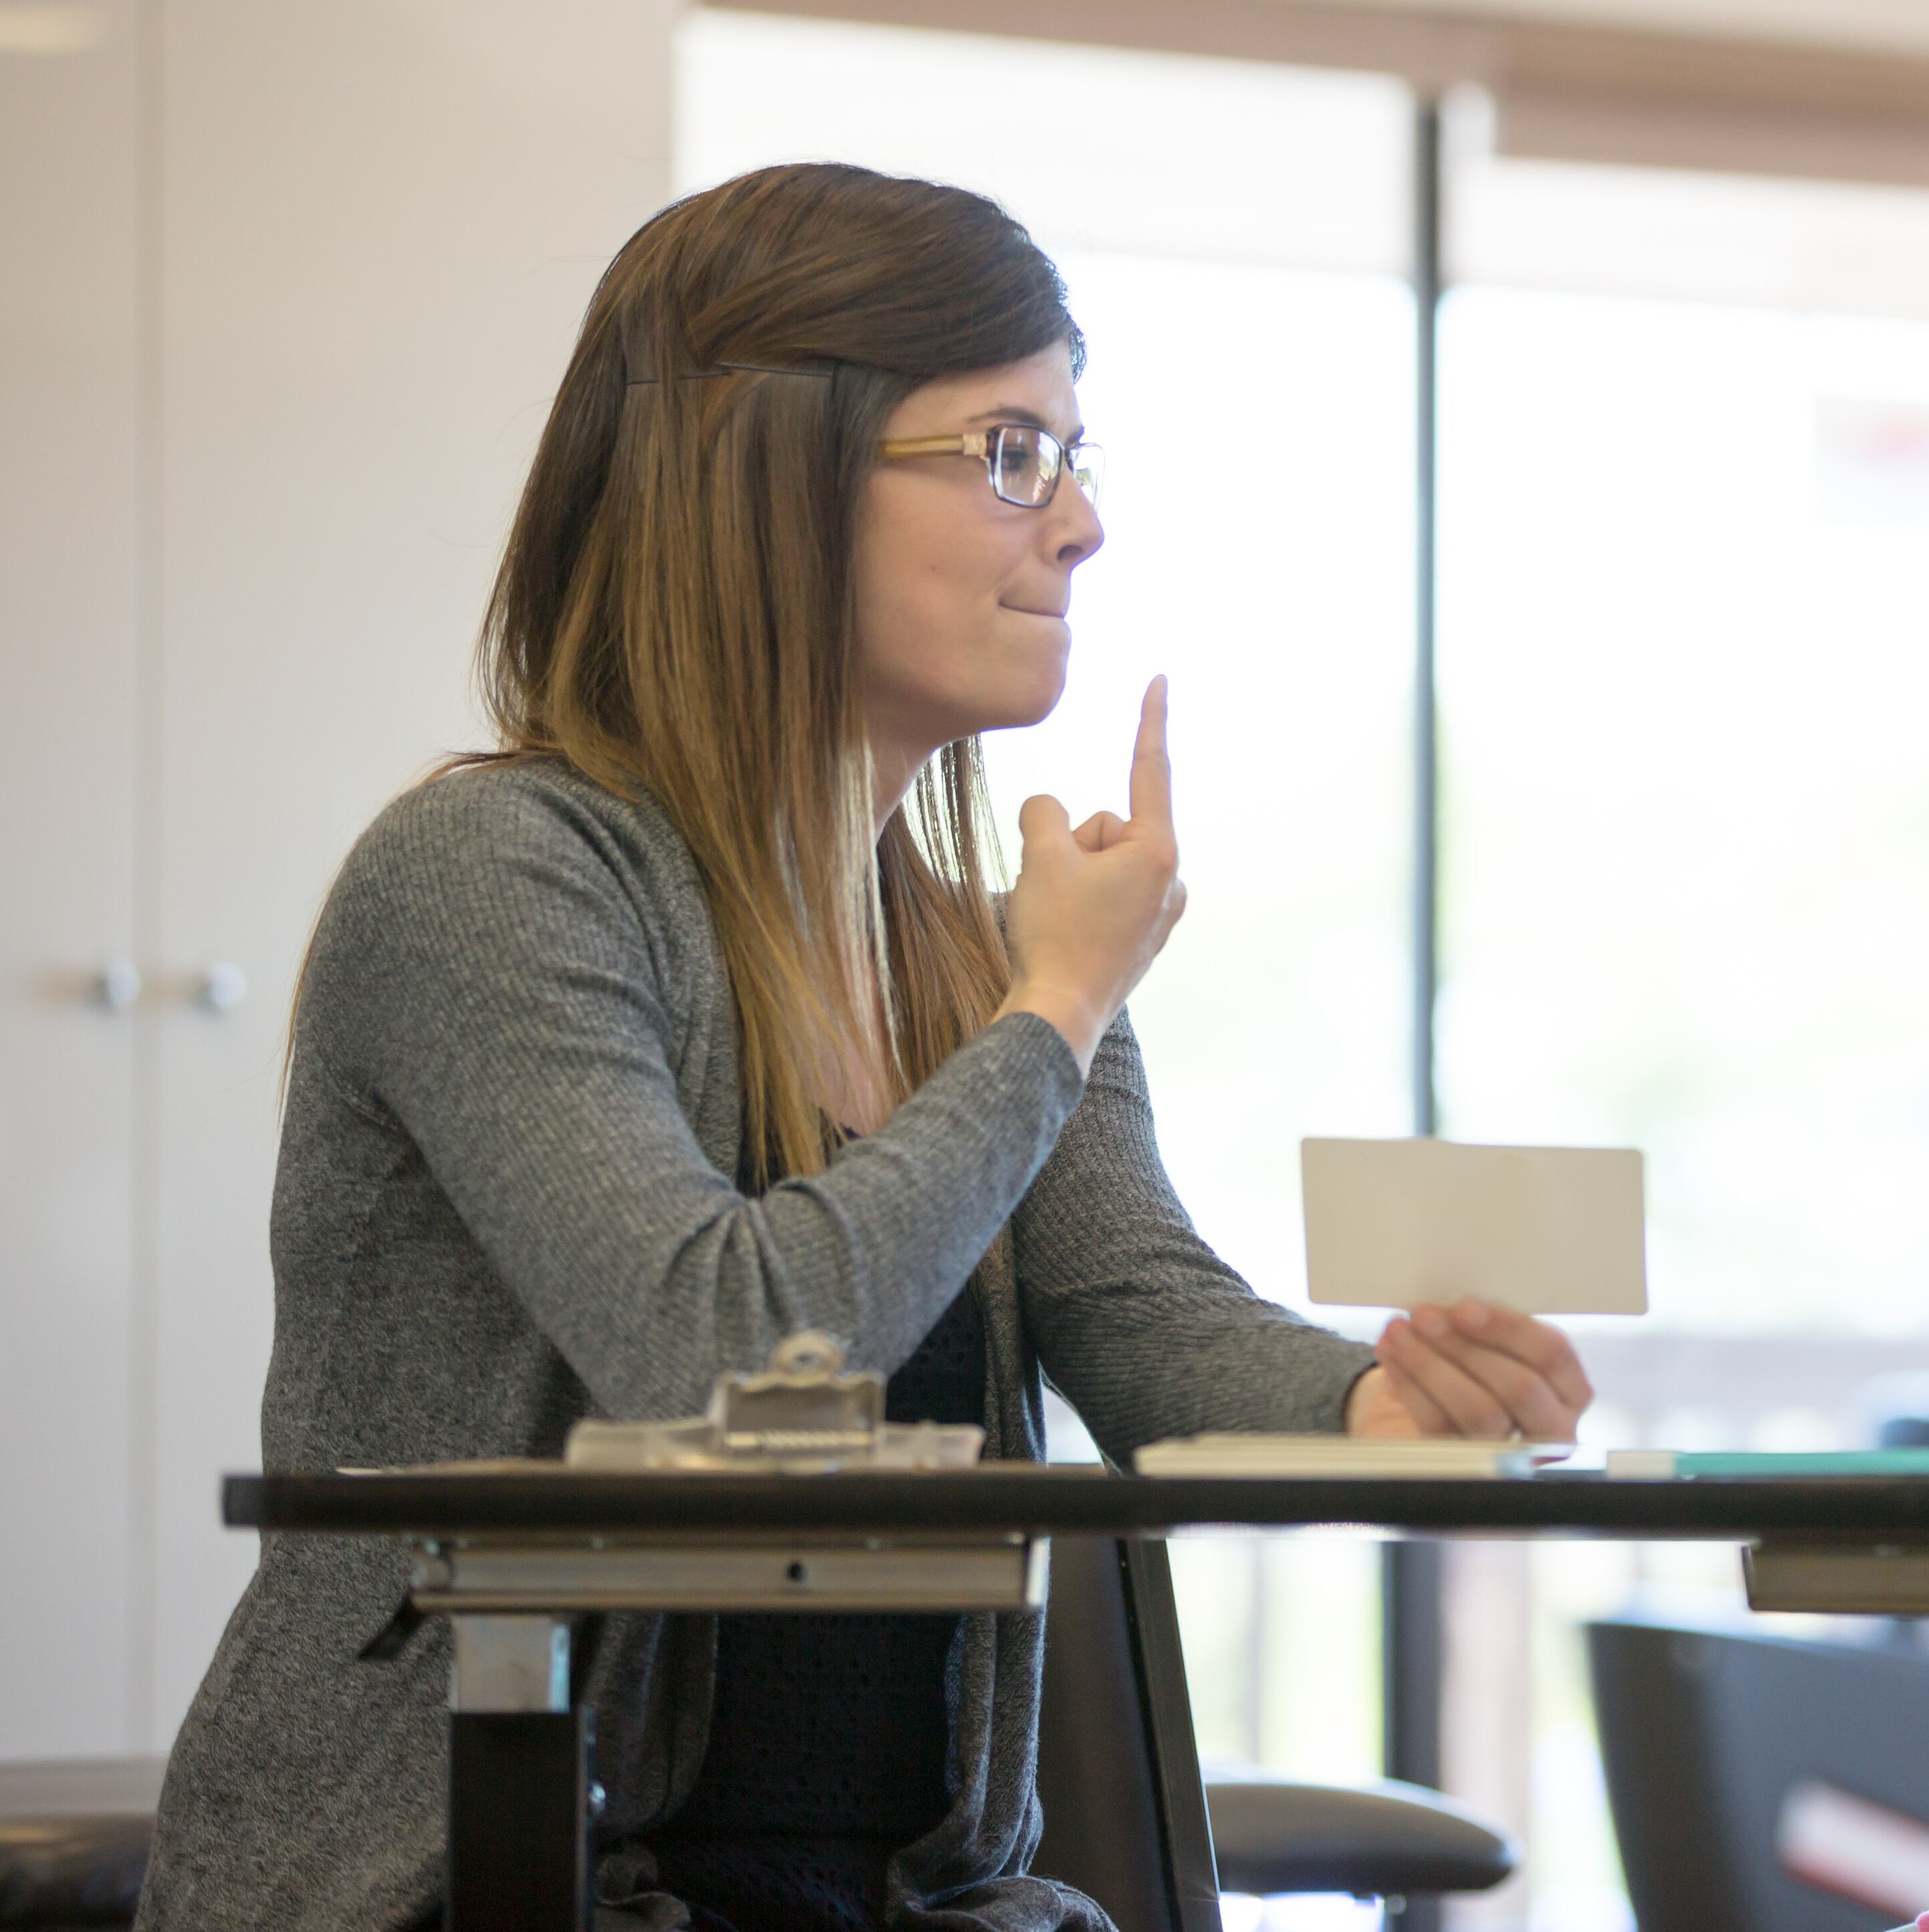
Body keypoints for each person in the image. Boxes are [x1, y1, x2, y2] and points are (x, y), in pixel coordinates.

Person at [137, 164, 1590, 1932]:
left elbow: (1139, 1320)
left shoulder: (987, 946)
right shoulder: (496, 876)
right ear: (769, 482)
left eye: (1074, 454)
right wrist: (1053, 1012)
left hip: (908, 1903)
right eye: (1006, 453)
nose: (1077, 526)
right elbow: (714, 1345)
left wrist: (1385, 1403)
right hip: (505, 1888)